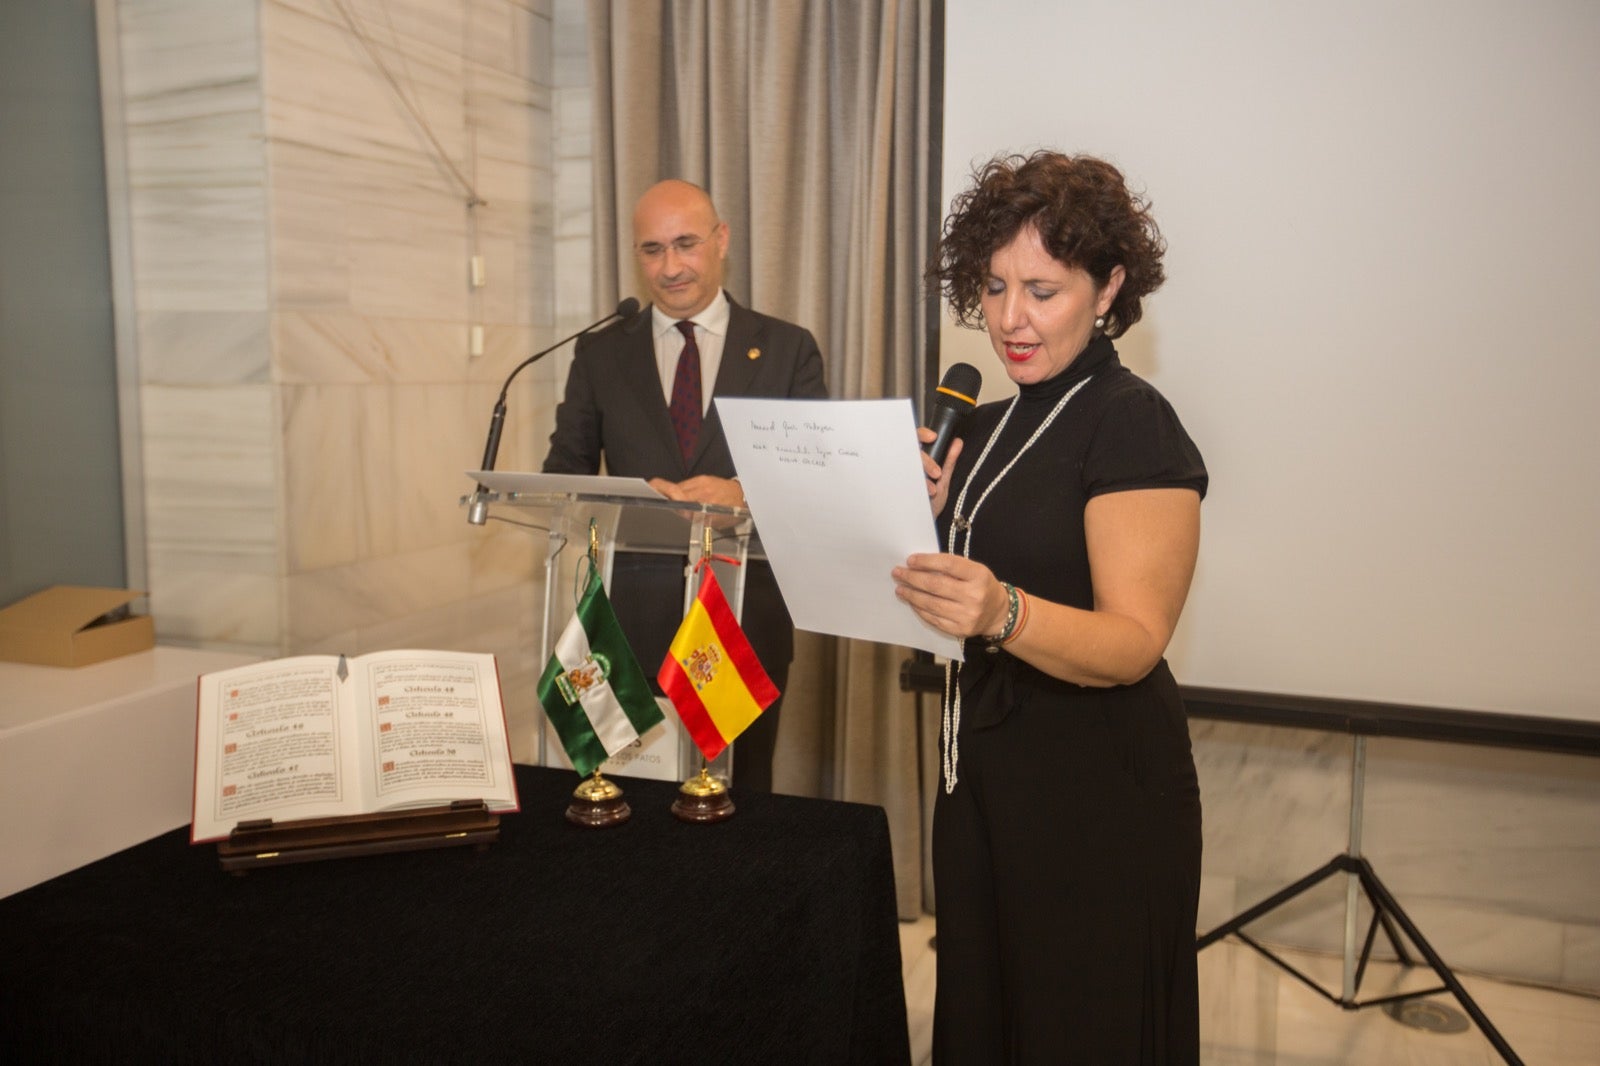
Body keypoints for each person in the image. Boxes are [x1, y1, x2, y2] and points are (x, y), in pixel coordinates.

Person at [892, 151, 1207, 1063]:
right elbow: (953, 596)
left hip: (1097, 801)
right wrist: (910, 521)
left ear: (1108, 287)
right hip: (985, 787)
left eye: (1042, 289)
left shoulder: (1130, 420)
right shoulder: (985, 427)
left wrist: (999, 612)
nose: (1009, 320)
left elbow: (1135, 643)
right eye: (991, 289)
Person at [543, 179, 828, 792]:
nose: (670, 267)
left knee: (738, 807)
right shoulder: (599, 354)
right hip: (625, 631)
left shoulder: (786, 348)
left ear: (721, 240)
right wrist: (631, 498)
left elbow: (815, 482)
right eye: (652, 249)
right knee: (632, 814)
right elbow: (560, 476)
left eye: (686, 244)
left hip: (743, 622)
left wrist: (743, 494)